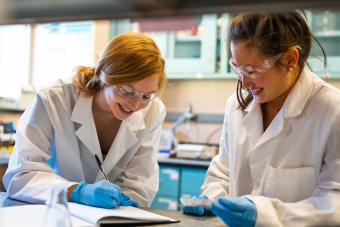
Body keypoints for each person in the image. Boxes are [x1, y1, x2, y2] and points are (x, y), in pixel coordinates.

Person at [183, 12, 340, 226]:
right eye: (237, 68)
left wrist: (266, 215)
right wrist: (212, 199)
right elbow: (223, 173)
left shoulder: (332, 110)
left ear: (290, 59)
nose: (245, 83)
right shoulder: (236, 106)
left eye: (252, 70)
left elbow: (335, 203)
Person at [3, 32, 167, 209]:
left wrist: (122, 203)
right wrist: (76, 191)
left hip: (111, 218)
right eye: (127, 91)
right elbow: (22, 175)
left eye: (146, 96)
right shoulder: (54, 99)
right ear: (105, 76)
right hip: (55, 211)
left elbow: (140, 182)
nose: (135, 105)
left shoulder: (153, 111)